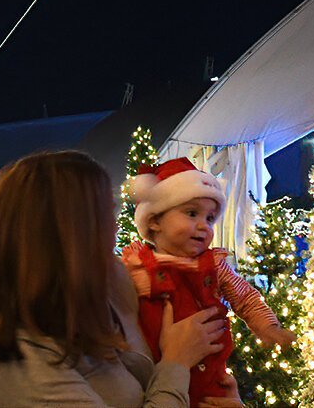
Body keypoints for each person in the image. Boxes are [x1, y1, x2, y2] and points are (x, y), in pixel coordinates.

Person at [0, 150, 235, 407]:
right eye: (105, 213)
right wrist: (177, 362)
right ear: (68, 229)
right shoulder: (13, 355)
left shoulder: (107, 287)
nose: (115, 226)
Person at [121, 157, 295, 406]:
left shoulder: (213, 266)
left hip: (210, 384)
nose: (204, 226)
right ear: (154, 221)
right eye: (192, 213)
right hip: (158, 382)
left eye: (210, 218)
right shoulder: (137, 267)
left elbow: (244, 296)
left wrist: (268, 328)